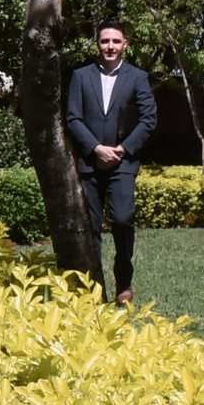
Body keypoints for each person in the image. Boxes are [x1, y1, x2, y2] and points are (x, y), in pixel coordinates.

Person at [63, 18, 158, 304]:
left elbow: (148, 119)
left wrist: (121, 149)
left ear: (125, 44)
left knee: (121, 219)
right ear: (98, 43)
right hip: (90, 164)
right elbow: (73, 118)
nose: (110, 46)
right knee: (90, 227)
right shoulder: (80, 76)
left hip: (123, 164)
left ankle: (124, 283)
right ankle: (95, 287)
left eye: (116, 41)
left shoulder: (137, 77)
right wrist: (95, 148)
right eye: (105, 41)